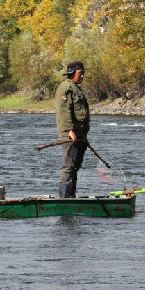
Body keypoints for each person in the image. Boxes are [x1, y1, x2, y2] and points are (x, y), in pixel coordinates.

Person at [55, 61, 90, 198]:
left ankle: (71, 195)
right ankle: (65, 197)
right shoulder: (65, 88)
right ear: (72, 74)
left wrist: (84, 135)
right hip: (71, 135)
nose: (82, 77)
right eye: (80, 74)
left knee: (75, 166)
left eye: (83, 74)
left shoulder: (76, 88)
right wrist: (69, 130)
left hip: (80, 136)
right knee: (68, 166)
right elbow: (64, 111)